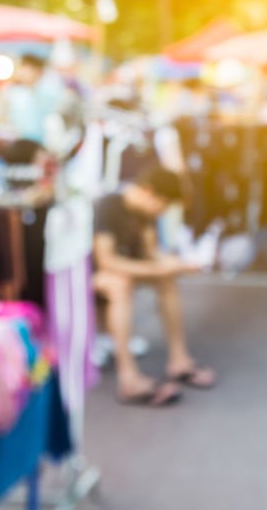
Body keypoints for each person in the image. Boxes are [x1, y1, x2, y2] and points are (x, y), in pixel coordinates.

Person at [93, 166, 215, 407]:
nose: (163, 212)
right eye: (164, 205)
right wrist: (161, 268)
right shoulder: (108, 206)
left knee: (166, 278)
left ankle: (179, 360)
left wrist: (178, 264)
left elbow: (151, 253)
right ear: (149, 192)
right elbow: (106, 261)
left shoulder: (143, 214)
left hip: (116, 270)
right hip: (90, 275)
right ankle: (128, 378)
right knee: (121, 284)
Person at [7, 55, 63, 143]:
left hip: (46, 143)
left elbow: (56, 118)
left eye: (26, 68)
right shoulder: (17, 93)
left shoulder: (51, 90)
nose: (22, 73)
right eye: (21, 68)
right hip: (23, 143)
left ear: (38, 70)